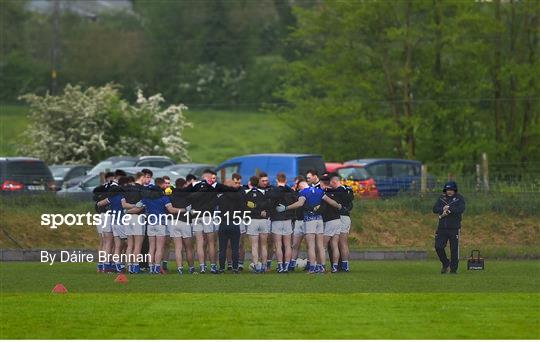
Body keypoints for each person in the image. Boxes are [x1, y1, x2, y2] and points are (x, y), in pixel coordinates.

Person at [276, 180, 342, 273]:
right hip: (319, 219)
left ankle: (312, 268)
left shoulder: (304, 192)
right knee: (320, 246)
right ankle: (322, 267)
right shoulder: (319, 191)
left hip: (309, 220)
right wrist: (338, 206)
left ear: (301, 187)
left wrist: (286, 208)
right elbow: (331, 202)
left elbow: (300, 204)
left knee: (310, 246)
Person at [432, 181, 466, 274]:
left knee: (454, 249)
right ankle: (445, 263)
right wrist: (442, 209)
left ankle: (453, 270)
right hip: (442, 228)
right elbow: (435, 209)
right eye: (447, 190)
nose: (449, 191)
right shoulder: (441, 198)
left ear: (455, 190)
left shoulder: (459, 198)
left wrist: (450, 210)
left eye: (451, 190)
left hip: (454, 228)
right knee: (438, 247)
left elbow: (461, 209)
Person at [267, 172, 296, 273]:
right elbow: (295, 203)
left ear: (276, 180)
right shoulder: (291, 191)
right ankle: (287, 266)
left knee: (278, 245)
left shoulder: (273, 190)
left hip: (277, 220)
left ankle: (280, 266)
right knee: (288, 245)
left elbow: (269, 204)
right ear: (286, 180)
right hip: (287, 220)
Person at [168, 178, 195, 275]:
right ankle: (191, 268)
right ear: (184, 185)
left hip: (174, 222)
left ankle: (180, 268)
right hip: (185, 222)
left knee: (178, 248)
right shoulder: (188, 195)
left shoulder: (171, 195)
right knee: (188, 248)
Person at [244, 175, 271, 273]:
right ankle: (264, 266)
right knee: (264, 245)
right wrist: (262, 211)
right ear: (258, 183)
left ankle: (256, 266)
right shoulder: (263, 193)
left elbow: (246, 207)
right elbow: (268, 205)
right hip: (263, 221)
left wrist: (254, 209)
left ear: (250, 183)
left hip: (253, 221)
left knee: (254, 246)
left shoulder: (247, 194)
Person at [217, 179, 244, 273]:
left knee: (222, 248)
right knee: (235, 248)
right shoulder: (239, 197)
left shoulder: (220, 198)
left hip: (224, 223)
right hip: (235, 223)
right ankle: (235, 268)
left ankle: (221, 268)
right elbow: (242, 209)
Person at [122, 171, 146, 274]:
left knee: (130, 244)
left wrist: (128, 210)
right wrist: (135, 207)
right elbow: (140, 208)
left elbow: (123, 204)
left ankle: (129, 266)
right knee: (138, 244)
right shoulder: (143, 189)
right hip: (137, 218)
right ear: (142, 177)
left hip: (127, 218)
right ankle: (136, 267)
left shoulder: (126, 189)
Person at [92, 171, 115, 272]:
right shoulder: (110, 189)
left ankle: (101, 265)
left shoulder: (100, 189)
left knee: (103, 241)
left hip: (100, 216)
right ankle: (106, 264)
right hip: (105, 215)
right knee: (108, 241)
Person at [319, 175, 342, 273]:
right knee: (334, 244)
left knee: (322, 245)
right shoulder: (336, 192)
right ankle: (335, 267)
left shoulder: (324, 194)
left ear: (323, 184)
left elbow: (322, 207)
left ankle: (321, 267)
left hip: (330, 221)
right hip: (337, 220)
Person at [289, 176, 306, 271]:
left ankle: (311, 263)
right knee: (295, 244)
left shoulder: (308, 193)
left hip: (308, 221)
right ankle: (291, 264)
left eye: (297, 184)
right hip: (298, 221)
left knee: (310, 245)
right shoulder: (295, 194)